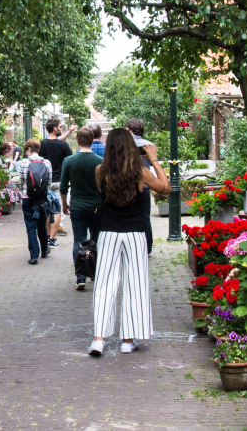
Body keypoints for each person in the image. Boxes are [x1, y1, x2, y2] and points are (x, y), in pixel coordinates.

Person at [88, 128, 170, 356]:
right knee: (135, 284)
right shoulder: (141, 172)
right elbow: (166, 188)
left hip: (108, 233)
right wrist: (153, 159)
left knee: (104, 284)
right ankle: (127, 340)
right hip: (135, 234)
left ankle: (98, 340)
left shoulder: (100, 171)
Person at [60, 127, 102, 290]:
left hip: (77, 206)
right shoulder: (100, 161)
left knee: (79, 240)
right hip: (97, 206)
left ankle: (80, 277)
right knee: (95, 240)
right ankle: (95, 273)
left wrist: (65, 204)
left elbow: (63, 186)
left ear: (77, 140)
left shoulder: (69, 161)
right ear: (92, 140)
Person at [10, 139, 53, 264]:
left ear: (29, 149)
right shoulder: (47, 162)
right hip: (42, 199)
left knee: (31, 227)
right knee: (42, 225)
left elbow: (23, 181)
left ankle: (34, 256)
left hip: (27, 198)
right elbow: (49, 183)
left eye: (26, 151)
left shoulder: (24, 163)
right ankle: (44, 250)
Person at [39, 118, 76, 243]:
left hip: (45, 182)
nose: (61, 129)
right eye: (60, 127)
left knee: (46, 210)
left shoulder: (41, 144)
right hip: (59, 181)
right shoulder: (63, 145)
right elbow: (71, 162)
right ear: (54, 128)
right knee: (56, 210)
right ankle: (52, 239)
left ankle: (46, 235)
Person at [124, 118, 155, 253]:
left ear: (130, 130)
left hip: (127, 186)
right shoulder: (149, 145)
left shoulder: (123, 144)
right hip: (145, 185)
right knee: (145, 217)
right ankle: (147, 247)